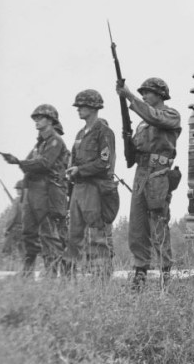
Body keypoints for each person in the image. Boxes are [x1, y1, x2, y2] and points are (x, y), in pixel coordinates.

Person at [116, 77, 181, 290]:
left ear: (161, 94)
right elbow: (136, 149)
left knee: (158, 225)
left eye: (148, 92)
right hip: (141, 173)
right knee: (137, 226)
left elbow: (156, 118)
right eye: (141, 93)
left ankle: (166, 277)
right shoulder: (143, 122)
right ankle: (139, 274)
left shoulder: (170, 115)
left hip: (158, 174)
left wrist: (130, 98)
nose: (144, 95)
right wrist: (128, 141)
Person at [1, 104, 69, 277]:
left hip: (48, 193)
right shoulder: (40, 144)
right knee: (28, 232)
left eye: (40, 118)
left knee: (48, 233)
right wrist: (20, 163)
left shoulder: (55, 141)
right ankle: (28, 271)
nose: (36, 121)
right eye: (36, 118)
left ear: (50, 120)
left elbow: (44, 164)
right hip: (33, 192)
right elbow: (28, 165)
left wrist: (19, 162)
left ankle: (53, 273)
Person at [63, 90, 117, 278]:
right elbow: (74, 158)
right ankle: (69, 280)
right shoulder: (80, 133)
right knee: (74, 234)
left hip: (94, 189)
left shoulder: (104, 132)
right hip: (78, 188)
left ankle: (100, 280)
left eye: (82, 106)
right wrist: (72, 170)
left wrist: (81, 170)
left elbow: (105, 162)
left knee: (96, 235)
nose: (78, 109)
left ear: (94, 107)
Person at [1, 181, 26, 259]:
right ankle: (27, 270)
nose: (17, 191)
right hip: (26, 230)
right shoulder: (29, 201)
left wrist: (6, 229)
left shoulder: (17, 201)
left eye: (19, 189)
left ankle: (10, 266)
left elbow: (12, 217)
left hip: (16, 230)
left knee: (6, 250)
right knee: (23, 252)